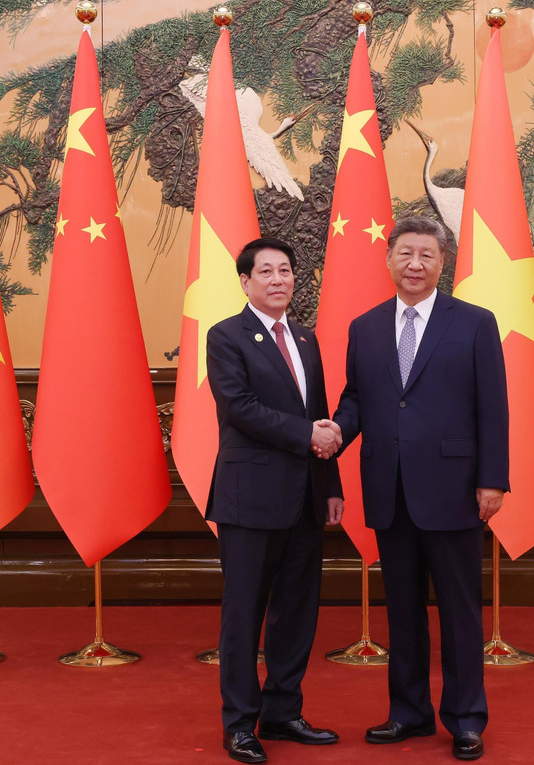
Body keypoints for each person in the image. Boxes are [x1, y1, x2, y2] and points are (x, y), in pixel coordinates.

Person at [330, 215, 509, 761]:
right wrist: (336, 431)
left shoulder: (475, 323)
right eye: (405, 254)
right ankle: (407, 713)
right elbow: (358, 398)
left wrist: (492, 480)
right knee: (402, 611)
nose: (415, 264)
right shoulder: (364, 327)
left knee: (459, 611)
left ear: (442, 262)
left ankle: (465, 719)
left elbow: (493, 407)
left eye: (426, 255)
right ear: (388, 259)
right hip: (390, 489)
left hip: (455, 489)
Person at [205, 237, 344, 764]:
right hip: (250, 500)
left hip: (306, 499)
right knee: (244, 615)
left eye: (286, 270)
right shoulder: (226, 336)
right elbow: (239, 408)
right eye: (266, 271)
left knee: (296, 612)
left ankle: (284, 712)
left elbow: (323, 414)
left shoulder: (306, 339)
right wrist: (309, 434)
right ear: (245, 282)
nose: (278, 279)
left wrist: (330, 486)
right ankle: (240, 724)